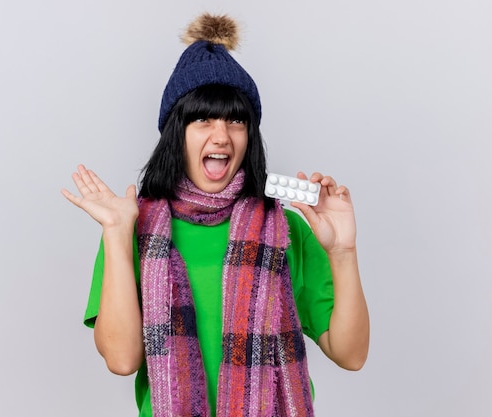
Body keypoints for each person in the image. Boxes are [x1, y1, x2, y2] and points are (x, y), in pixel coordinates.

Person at [62, 12, 369, 417]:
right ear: (178, 132)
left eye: (236, 120)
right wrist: (118, 235)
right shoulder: (130, 230)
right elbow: (121, 360)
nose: (221, 135)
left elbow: (350, 354)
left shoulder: (286, 230)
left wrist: (344, 251)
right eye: (203, 119)